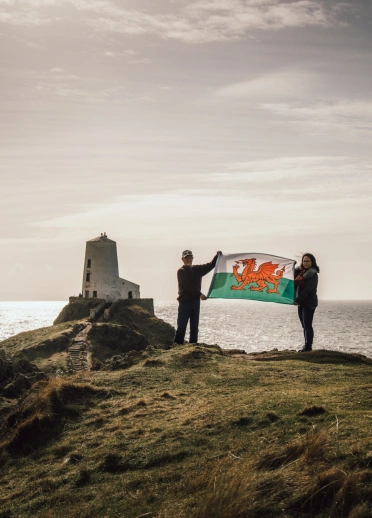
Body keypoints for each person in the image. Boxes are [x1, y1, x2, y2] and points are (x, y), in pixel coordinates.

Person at [174, 249, 221, 345]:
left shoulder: (197, 269)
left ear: (192, 258)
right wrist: (199, 294)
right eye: (186, 258)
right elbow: (188, 286)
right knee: (182, 325)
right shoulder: (181, 271)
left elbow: (211, 265)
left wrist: (217, 256)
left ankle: (193, 345)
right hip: (184, 303)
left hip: (196, 302)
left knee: (194, 327)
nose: (188, 259)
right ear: (182, 259)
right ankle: (177, 344)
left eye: (190, 257)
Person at [294, 253, 320, 352]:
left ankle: (308, 346)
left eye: (308, 261)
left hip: (309, 303)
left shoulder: (313, 274)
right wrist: (292, 266)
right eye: (304, 261)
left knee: (307, 325)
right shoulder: (300, 273)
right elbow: (293, 275)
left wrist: (298, 300)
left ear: (312, 262)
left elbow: (308, 290)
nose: (305, 263)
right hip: (301, 303)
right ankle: (306, 346)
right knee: (303, 325)